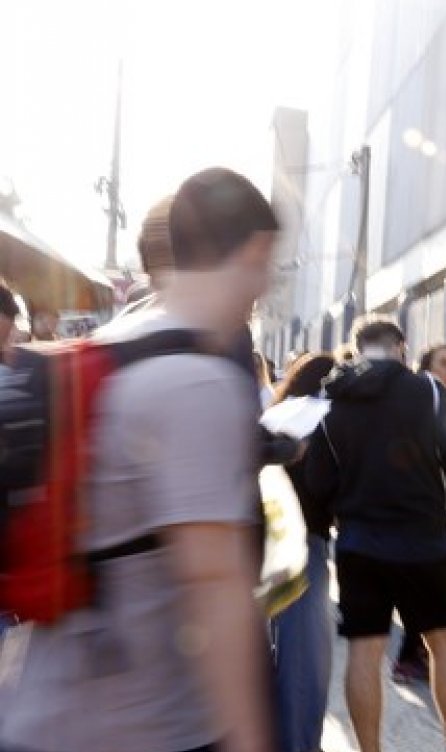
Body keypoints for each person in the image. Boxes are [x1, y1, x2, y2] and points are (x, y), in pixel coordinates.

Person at [0, 167, 279, 752]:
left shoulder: (118, 341)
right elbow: (216, 583)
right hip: (139, 725)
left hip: (49, 706)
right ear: (254, 250)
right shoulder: (197, 382)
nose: (270, 280)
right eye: (270, 262)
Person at [303, 316, 446, 752]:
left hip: (361, 543)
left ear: (357, 348)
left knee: (365, 650)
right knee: (443, 641)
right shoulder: (430, 391)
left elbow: (319, 481)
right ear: (402, 346)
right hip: (426, 541)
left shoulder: (332, 398)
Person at [392, 343, 446, 685]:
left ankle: (417, 652)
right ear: (425, 364)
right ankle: (413, 655)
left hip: (426, 505)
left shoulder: (424, 396)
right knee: (433, 582)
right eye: (444, 362)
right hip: (436, 506)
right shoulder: (433, 394)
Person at [269, 352, 339, 752]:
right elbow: (322, 485)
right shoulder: (324, 417)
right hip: (302, 542)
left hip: (261, 540)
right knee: (304, 661)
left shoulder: (278, 412)